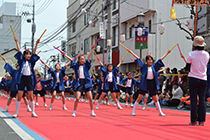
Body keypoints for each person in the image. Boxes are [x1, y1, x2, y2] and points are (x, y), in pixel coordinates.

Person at [129, 49, 171, 116]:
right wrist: (131, 52)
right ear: (146, 61)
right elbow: (138, 58)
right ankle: (133, 111)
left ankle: (160, 112)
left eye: (151, 60)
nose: (150, 61)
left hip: (152, 83)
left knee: (155, 97)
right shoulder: (144, 66)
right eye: (149, 60)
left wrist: (167, 53)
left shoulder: (153, 66)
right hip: (145, 83)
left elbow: (160, 60)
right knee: (140, 97)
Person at [181, 36, 209, 126]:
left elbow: (188, 68)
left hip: (193, 78)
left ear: (194, 45)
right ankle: (201, 120)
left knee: (193, 99)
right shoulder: (207, 54)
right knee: (202, 100)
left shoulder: (191, 54)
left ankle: (194, 120)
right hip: (203, 78)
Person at [12, 36, 40, 118]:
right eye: (27, 54)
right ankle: (16, 112)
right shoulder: (21, 61)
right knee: (20, 95)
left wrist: (37, 44)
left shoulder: (31, 61)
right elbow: (19, 51)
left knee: (31, 96)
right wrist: (16, 42)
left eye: (29, 54)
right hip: (22, 78)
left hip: (29, 79)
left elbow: (34, 53)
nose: (29, 55)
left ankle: (33, 112)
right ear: (24, 56)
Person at [64, 49, 96, 117]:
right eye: (81, 59)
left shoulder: (87, 65)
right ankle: (74, 112)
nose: (82, 60)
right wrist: (64, 55)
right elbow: (71, 60)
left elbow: (89, 57)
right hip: (79, 82)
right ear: (78, 60)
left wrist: (91, 51)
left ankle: (92, 111)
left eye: (83, 59)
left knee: (90, 97)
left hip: (87, 82)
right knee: (77, 98)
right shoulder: (76, 66)